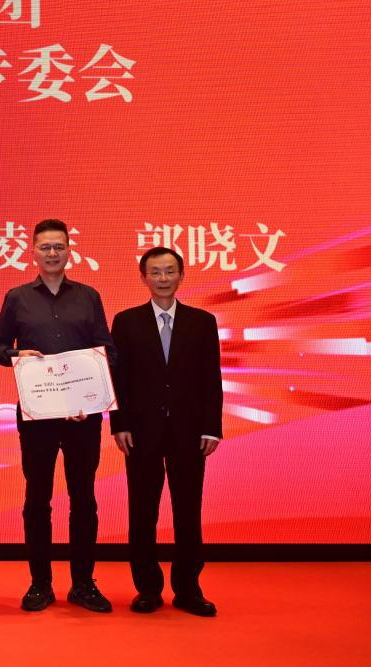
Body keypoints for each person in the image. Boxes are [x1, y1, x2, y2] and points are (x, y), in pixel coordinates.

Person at [0, 219, 117, 614]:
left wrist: (92, 395)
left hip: (82, 416)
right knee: (37, 499)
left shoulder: (89, 296)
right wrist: (17, 356)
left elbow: (106, 350)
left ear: (68, 251)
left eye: (58, 247)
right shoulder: (17, 298)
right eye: (45, 247)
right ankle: (40, 584)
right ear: (32, 251)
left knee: (84, 499)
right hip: (37, 415)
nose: (52, 253)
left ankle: (83, 583)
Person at [110, 246, 223, 617]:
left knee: (188, 510)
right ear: (143, 277)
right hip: (140, 431)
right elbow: (118, 379)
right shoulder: (126, 322)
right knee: (142, 510)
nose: (163, 279)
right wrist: (120, 424)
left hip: (190, 431)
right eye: (155, 272)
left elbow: (211, 379)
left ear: (181, 276)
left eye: (170, 271)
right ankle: (147, 588)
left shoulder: (202, 322)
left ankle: (188, 589)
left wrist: (212, 428)